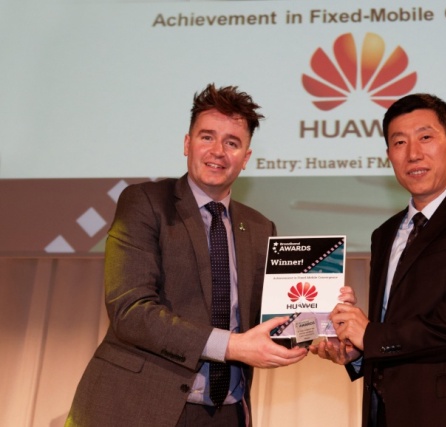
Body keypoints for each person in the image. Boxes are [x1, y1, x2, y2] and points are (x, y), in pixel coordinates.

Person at [65, 84, 308, 427]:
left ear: (246, 158)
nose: (218, 151)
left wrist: (320, 323)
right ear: (187, 143)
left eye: (232, 143)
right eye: (207, 137)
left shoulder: (260, 227)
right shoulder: (144, 203)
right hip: (139, 408)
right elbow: (131, 311)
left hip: (228, 411)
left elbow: (272, 317)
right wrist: (231, 347)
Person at [311, 93, 446, 426]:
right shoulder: (384, 234)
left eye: (425, 137)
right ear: (388, 156)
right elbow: (393, 328)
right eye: (399, 142)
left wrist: (372, 336)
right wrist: (358, 350)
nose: (413, 153)